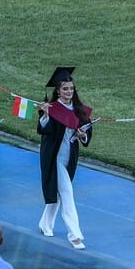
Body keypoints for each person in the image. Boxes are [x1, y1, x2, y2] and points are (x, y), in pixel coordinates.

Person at [35, 66, 92, 249]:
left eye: (71, 88)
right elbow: (44, 130)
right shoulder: (53, 109)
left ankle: (45, 224)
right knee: (67, 193)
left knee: (57, 194)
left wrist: (83, 135)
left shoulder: (79, 110)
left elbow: (86, 135)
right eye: (65, 89)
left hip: (70, 158)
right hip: (54, 159)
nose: (69, 92)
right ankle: (74, 235)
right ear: (58, 90)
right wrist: (44, 115)